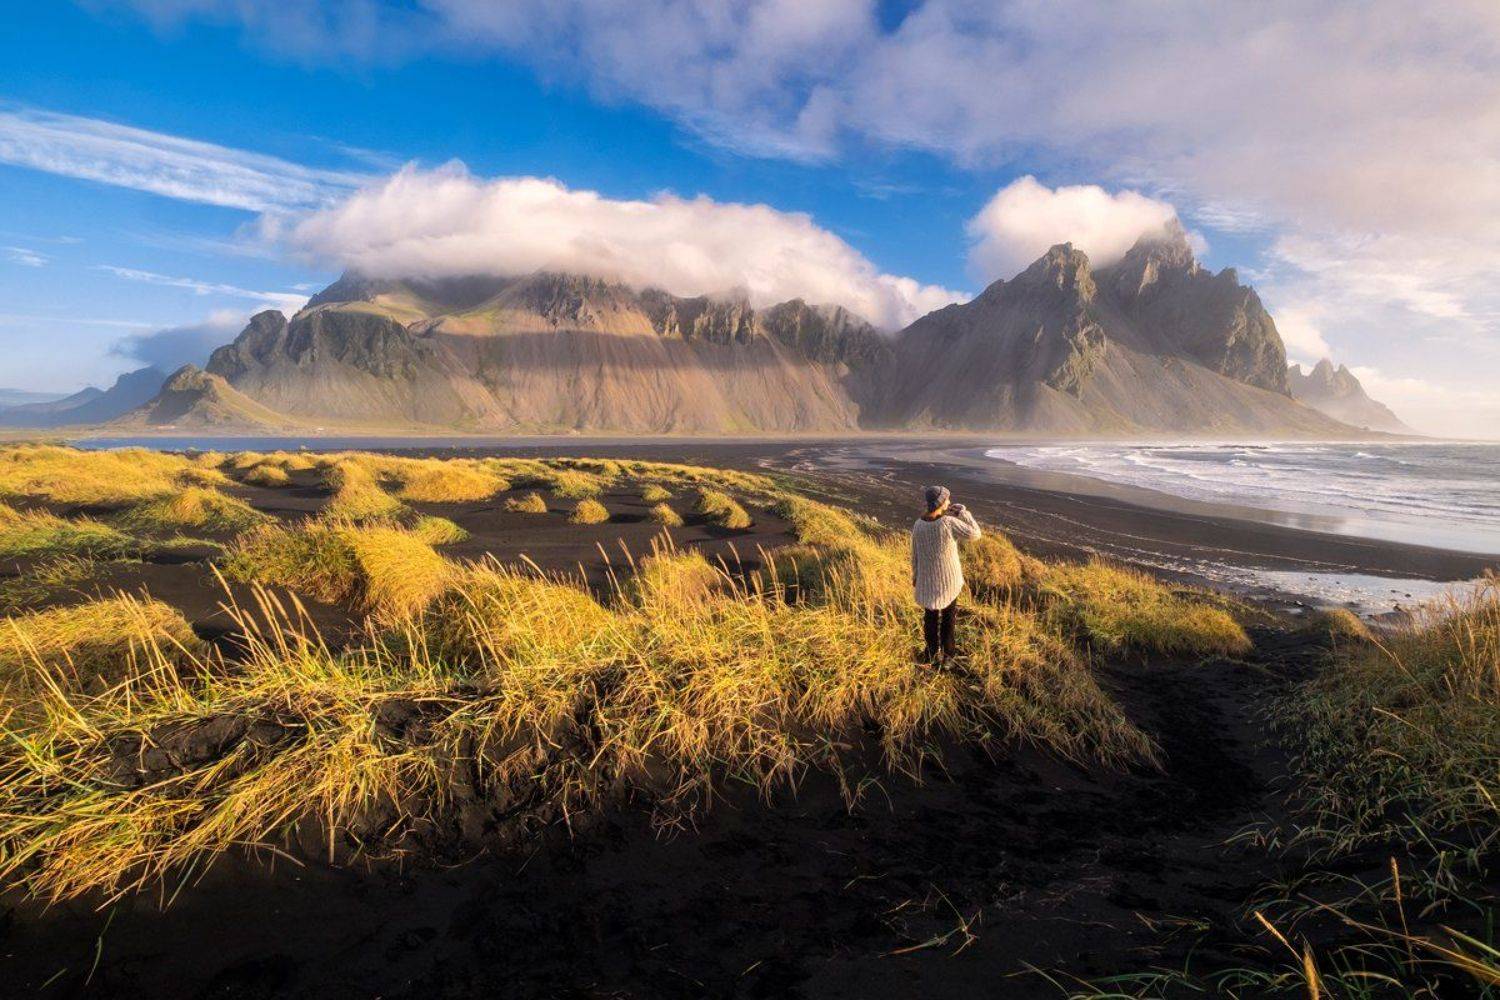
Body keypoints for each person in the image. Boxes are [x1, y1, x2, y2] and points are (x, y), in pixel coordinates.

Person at [910, 485, 981, 664]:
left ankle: (931, 654)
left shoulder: (918, 524)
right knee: (949, 618)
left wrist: (916, 576)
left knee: (930, 618)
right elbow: (975, 534)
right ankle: (948, 657)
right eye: (947, 499)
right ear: (941, 503)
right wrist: (963, 512)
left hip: (926, 581)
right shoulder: (948, 523)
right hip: (949, 580)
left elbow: (915, 553)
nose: (949, 501)